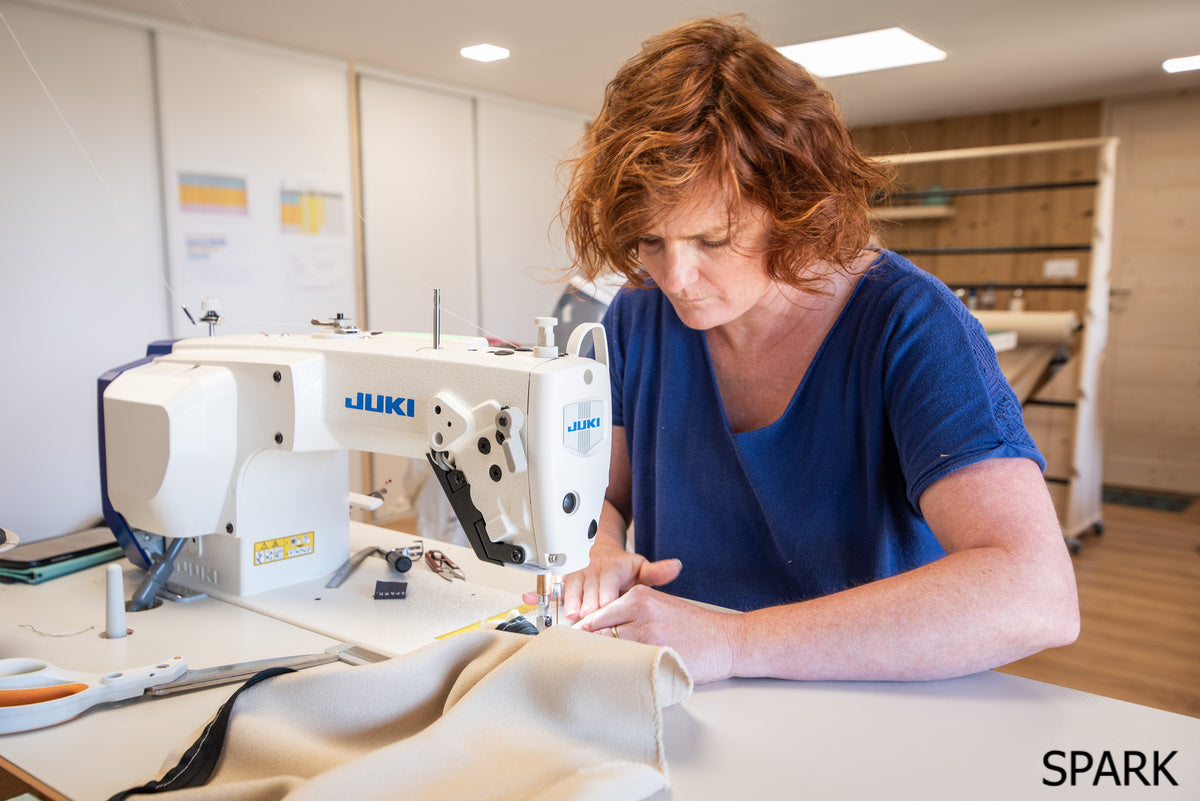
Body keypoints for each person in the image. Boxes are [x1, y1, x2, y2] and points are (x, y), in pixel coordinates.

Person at [550, 16, 1079, 684]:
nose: (675, 279)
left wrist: (738, 641)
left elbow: (1036, 593)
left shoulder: (910, 324)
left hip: (863, 696)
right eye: (650, 242)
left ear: (796, 205)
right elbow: (610, 493)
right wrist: (599, 545)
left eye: (712, 241)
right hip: (689, 681)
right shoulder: (638, 314)